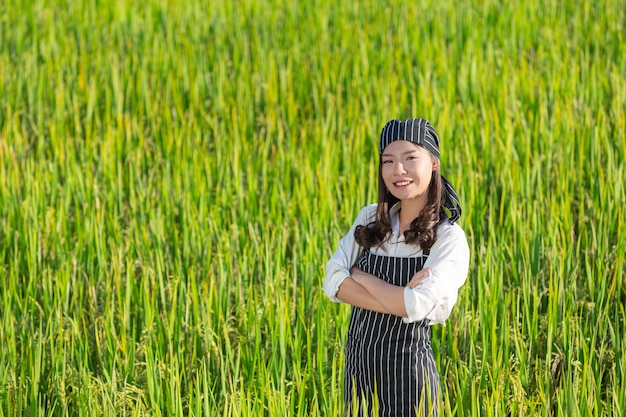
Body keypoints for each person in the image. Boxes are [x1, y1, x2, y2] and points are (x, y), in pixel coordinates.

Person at [323, 118, 470, 417]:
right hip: (358, 377)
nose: (398, 170)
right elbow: (332, 281)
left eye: (410, 158)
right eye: (388, 161)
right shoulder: (370, 220)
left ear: (433, 163)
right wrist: (399, 297)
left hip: (410, 383)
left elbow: (417, 304)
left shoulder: (447, 238)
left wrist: (361, 276)